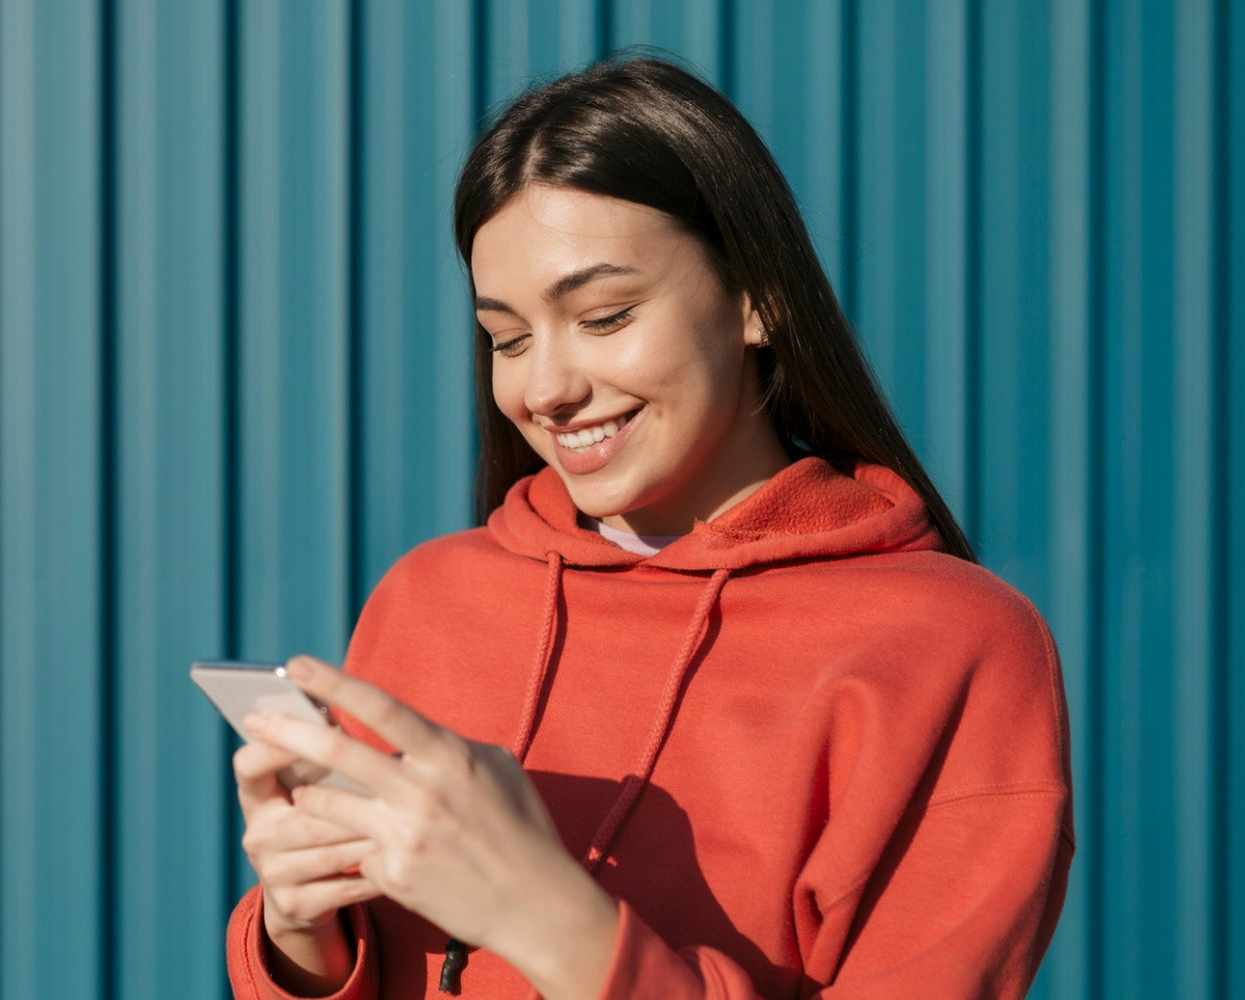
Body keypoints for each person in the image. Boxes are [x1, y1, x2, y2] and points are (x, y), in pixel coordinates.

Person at [223, 54, 1072, 999]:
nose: (544, 388)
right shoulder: (431, 598)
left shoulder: (952, 646)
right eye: (507, 337)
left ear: (759, 298)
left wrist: (547, 920)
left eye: (606, 314)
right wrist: (304, 934)